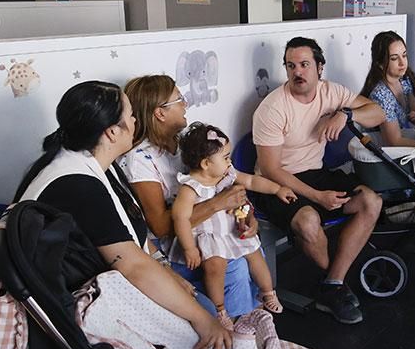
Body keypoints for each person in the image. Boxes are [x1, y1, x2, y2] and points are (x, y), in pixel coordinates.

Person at [12, 80, 234, 349]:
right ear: (112, 132)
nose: (135, 120)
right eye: (130, 115)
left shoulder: (93, 163)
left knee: (203, 306)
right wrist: (202, 319)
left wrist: (167, 270)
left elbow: (132, 234)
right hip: (79, 306)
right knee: (205, 322)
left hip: (108, 278)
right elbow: (132, 265)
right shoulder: (78, 185)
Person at [252, 36, 386, 324]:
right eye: (291, 66)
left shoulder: (331, 92)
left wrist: (345, 114)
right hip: (277, 183)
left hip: (316, 172)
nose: (297, 72)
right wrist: (317, 196)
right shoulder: (273, 107)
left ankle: (333, 284)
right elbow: (271, 169)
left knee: (370, 202)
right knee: (308, 220)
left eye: (304, 65)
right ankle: (336, 285)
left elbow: (378, 113)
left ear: (319, 67)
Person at [119, 74, 261, 319]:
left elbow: (225, 183)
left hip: (210, 230)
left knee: (251, 245)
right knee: (233, 262)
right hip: (176, 247)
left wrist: (246, 214)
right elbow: (160, 227)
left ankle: (253, 316)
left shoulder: (185, 145)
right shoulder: (140, 161)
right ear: (160, 113)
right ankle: (236, 328)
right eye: (179, 99)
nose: (186, 104)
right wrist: (217, 205)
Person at [172, 122, 295, 321]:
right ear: (206, 164)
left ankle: (267, 291)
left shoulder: (227, 174)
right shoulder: (190, 188)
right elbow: (180, 218)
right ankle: (220, 309)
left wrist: (277, 189)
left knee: (255, 254)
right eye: (226, 157)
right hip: (209, 238)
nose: (230, 162)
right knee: (215, 267)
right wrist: (189, 248)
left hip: (231, 230)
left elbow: (252, 181)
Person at [359, 30, 415, 147]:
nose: (402, 63)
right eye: (394, 58)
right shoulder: (381, 95)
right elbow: (394, 141)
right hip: (384, 149)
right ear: (380, 64)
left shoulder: (404, 79)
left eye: (404, 55)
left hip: (403, 135)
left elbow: (414, 112)